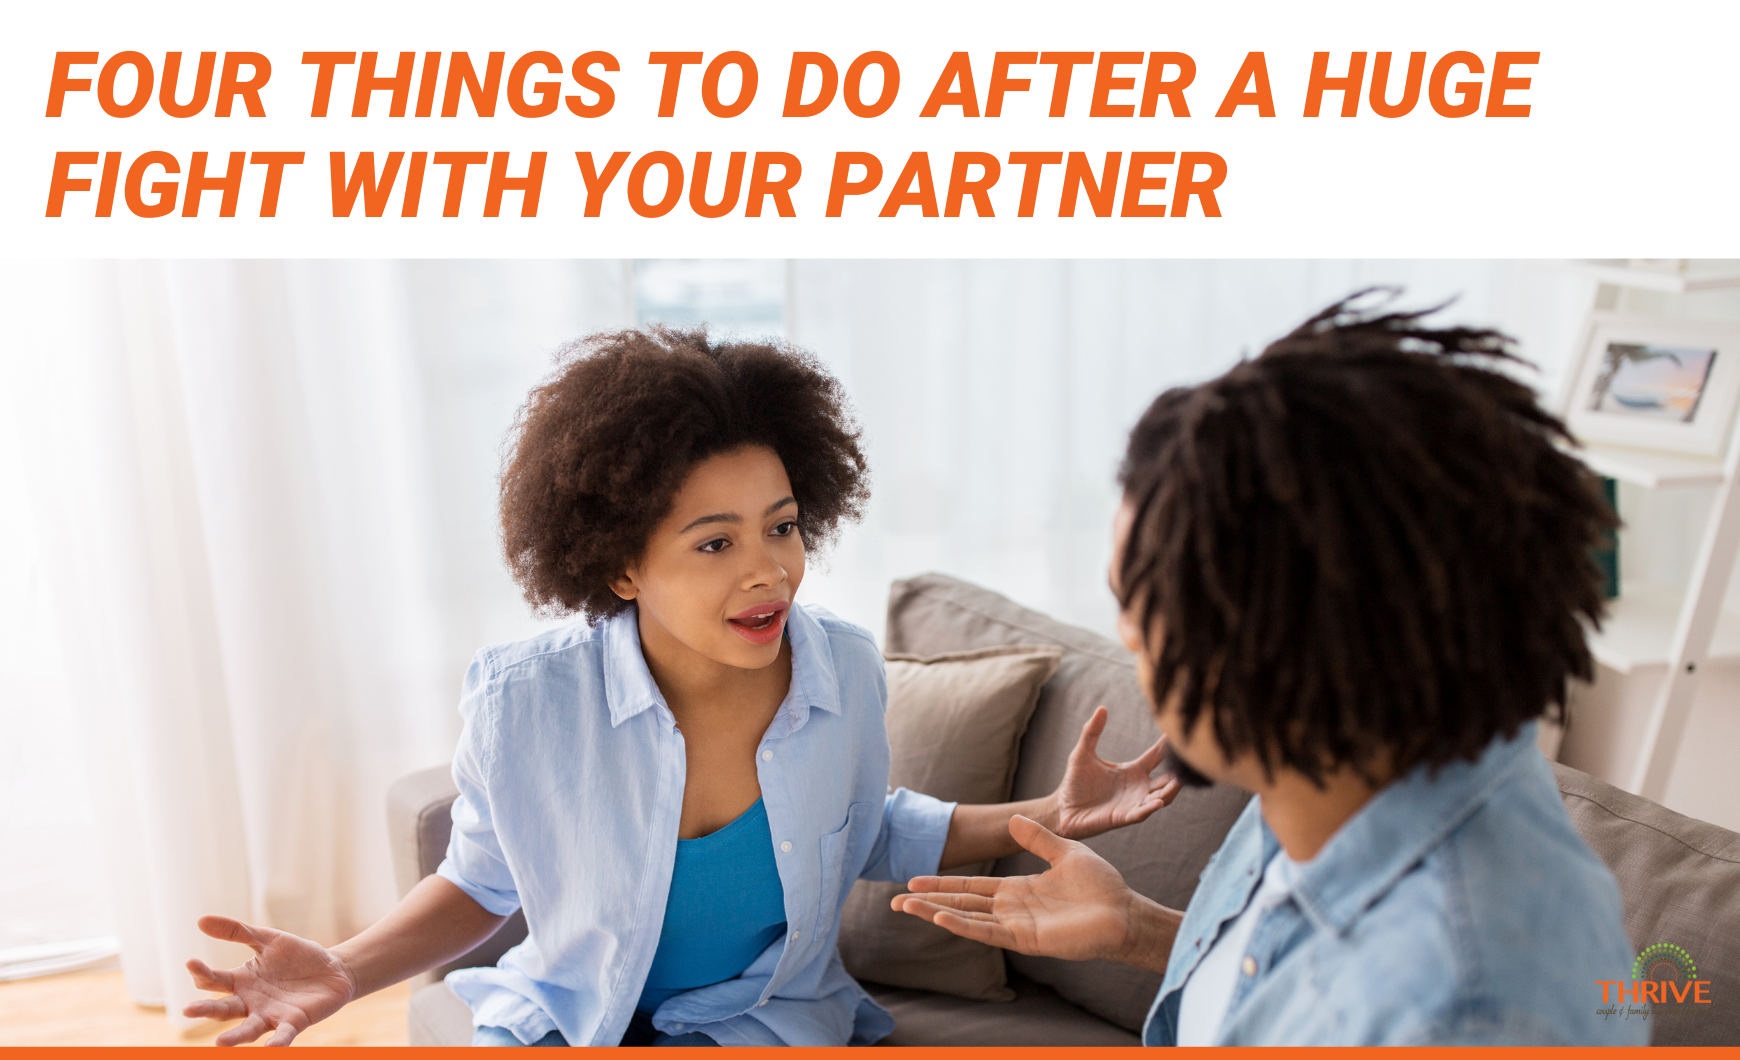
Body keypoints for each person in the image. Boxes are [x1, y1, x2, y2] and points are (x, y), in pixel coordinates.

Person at [180, 328, 1182, 1047]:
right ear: (620, 566)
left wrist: (1044, 815)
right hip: (568, 1015)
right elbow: (484, 880)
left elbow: (864, 826)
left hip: (762, 1017)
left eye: (782, 527)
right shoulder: (525, 702)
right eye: (715, 542)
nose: (769, 570)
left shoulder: (843, 671)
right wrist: (347, 967)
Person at [894, 294, 1648, 1046]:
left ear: (1285, 641)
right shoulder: (1343, 761)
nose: (1127, 639)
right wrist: (1135, 930)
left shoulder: (1467, 1008)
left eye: (1141, 609)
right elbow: (1303, 973)